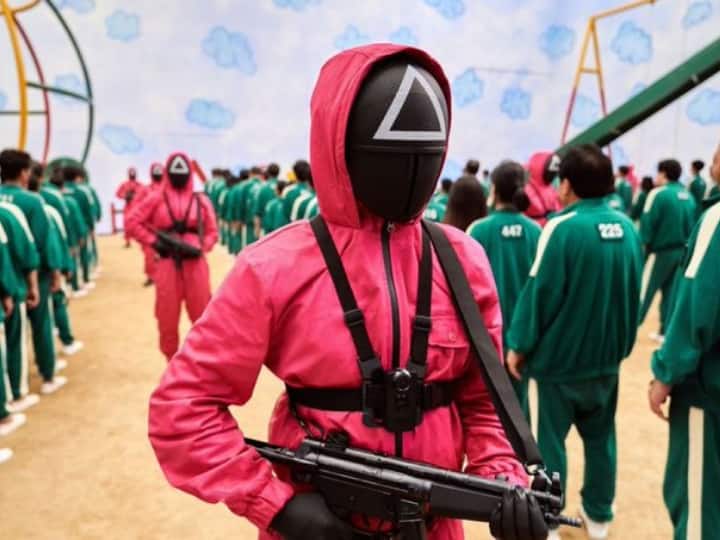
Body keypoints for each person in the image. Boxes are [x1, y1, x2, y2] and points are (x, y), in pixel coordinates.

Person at [148, 45, 544, 540]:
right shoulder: (273, 267)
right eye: (389, 157)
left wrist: (502, 479)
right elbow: (182, 408)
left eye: (422, 157)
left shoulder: (463, 262)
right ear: (339, 148)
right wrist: (276, 505)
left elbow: (484, 404)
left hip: (433, 529)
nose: (410, 173)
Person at [507, 144, 642, 540]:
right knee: (601, 440)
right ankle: (598, 518)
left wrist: (519, 345)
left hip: (557, 366)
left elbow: (539, 293)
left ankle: (547, 520)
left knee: (547, 446)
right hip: (606, 363)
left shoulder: (562, 228)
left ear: (566, 184)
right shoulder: (628, 228)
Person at [648, 142, 720, 540]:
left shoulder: (716, 218)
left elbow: (696, 304)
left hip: (708, 393)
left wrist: (665, 373)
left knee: (698, 503)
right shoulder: (691, 201)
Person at [126, 152, 218, 361]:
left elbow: (213, 231)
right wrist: (154, 241)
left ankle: (202, 361)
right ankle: (171, 361)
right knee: (166, 316)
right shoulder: (155, 198)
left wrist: (201, 246)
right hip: (167, 264)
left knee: (203, 315)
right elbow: (132, 222)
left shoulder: (200, 200)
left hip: (195, 265)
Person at [467, 161, 541, 414]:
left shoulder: (479, 230)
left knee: (485, 410)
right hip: (522, 340)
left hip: (485, 339)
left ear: (494, 189)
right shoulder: (536, 231)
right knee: (519, 411)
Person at [0, 150, 66, 395]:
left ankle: (12, 385)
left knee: (11, 337)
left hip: (6, 277)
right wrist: (54, 273)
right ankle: (47, 375)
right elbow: (42, 242)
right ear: (24, 173)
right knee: (41, 326)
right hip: (32, 275)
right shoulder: (33, 201)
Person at [639, 159, 696, 342]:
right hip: (681, 252)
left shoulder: (658, 194)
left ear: (663, 173)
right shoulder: (688, 196)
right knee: (671, 294)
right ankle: (665, 332)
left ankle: (628, 329)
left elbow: (647, 224)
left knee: (644, 292)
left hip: (660, 252)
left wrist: (643, 251)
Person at [524, 152, 561, 226]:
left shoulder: (551, 188)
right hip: (537, 230)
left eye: (554, 173)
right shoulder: (527, 190)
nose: (552, 175)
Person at [116, 167, 142, 248]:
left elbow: (145, 194)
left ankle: (141, 240)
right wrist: (125, 196)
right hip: (128, 206)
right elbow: (118, 193)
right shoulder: (124, 184)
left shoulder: (139, 185)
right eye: (131, 173)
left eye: (133, 173)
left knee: (139, 223)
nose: (132, 175)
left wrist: (136, 196)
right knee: (126, 223)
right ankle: (127, 241)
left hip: (137, 207)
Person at [252, 163, 280, 238]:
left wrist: (257, 230)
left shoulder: (262, 188)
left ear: (268, 173)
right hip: (282, 230)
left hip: (267, 231)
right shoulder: (284, 186)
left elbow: (257, 212)